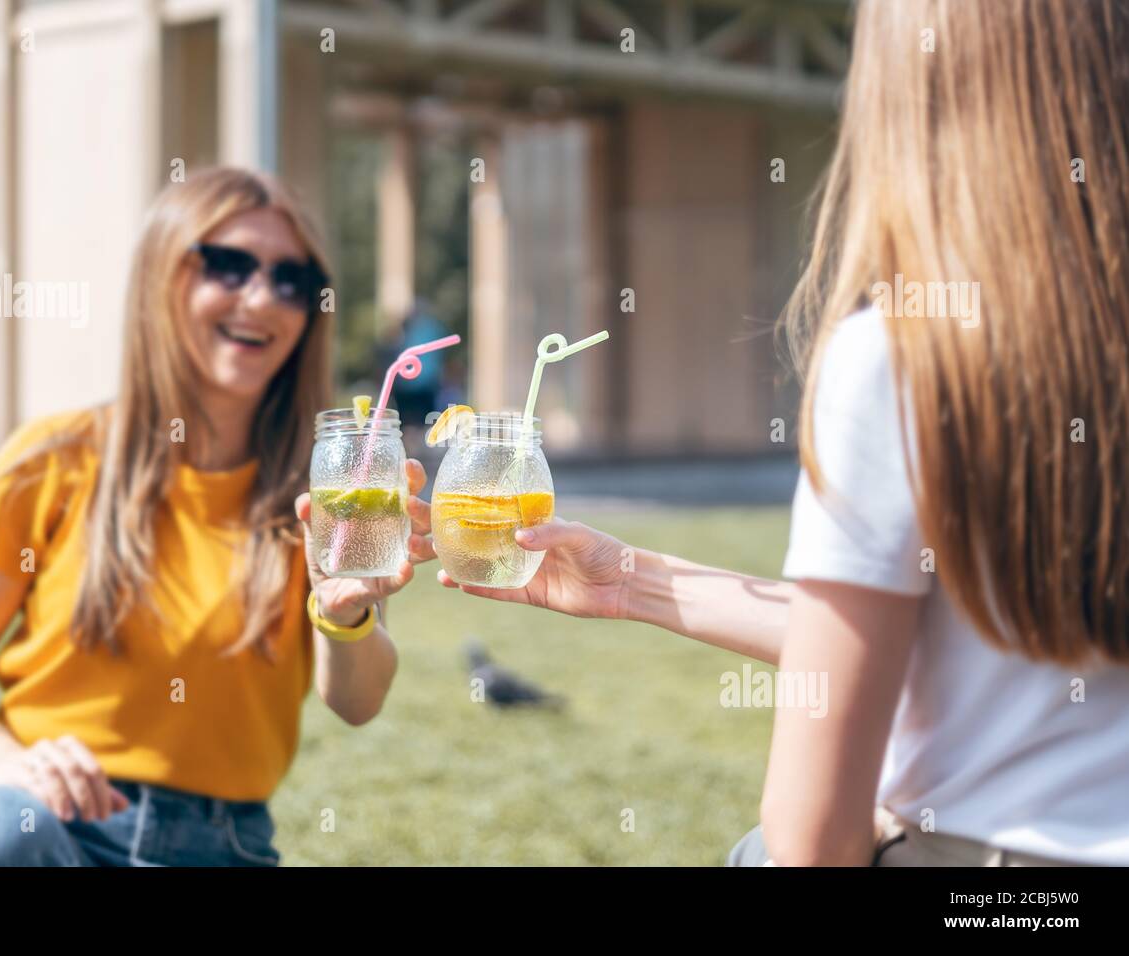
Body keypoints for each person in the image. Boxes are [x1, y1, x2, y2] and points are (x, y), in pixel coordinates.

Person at [440, 0, 1129, 866]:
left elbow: (813, 841)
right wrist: (633, 581)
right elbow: (953, 642)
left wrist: (890, 827)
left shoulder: (909, 358)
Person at [0, 167, 434, 866]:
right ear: (161, 275)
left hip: (226, 847)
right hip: (52, 826)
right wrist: (2, 760)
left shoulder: (324, 487)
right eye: (229, 265)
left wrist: (345, 616)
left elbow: (358, 700)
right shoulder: (54, 458)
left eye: (291, 281)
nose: (260, 299)